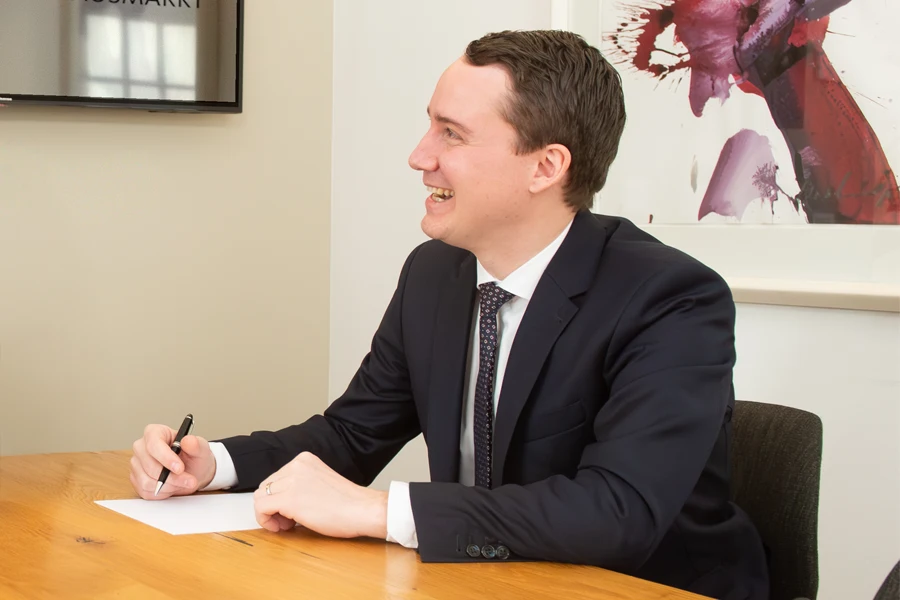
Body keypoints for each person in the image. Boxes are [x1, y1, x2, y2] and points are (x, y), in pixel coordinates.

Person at [130, 30, 769, 600]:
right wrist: (213, 465)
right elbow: (352, 436)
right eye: (429, 127)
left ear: (546, 166)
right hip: (483, 583)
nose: (419, 156)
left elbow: (616, 513)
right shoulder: (435, 274)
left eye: (451, 134)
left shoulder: (671, 298)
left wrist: (380, 513)